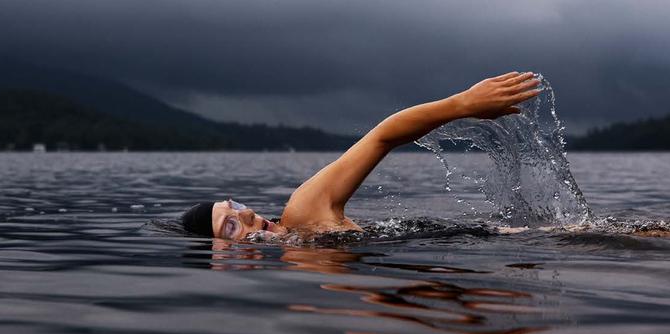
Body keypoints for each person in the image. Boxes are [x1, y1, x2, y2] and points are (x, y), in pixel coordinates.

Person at [181, 72, 542, 240]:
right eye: (230, 225)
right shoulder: (299, 267)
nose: (246, 213)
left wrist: (462, 104)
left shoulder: (304, 213)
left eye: (236, 205)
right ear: (221, 258)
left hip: (516, 240)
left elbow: (381, 137)